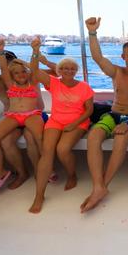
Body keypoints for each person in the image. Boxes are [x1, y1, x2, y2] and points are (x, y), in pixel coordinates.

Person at [80, 17, 128, 213]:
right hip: (112, 114)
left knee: (120, 140)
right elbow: (97, 57)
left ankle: (103, 185)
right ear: (123, 57)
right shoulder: (116, 72)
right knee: (94, 136)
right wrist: (92, 33)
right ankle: (98, 186)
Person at [29, 37, 94, 213]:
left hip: (78, 121)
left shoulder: (84, 87)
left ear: (76, 71)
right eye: (65, 68)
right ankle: (39, 195)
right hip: (56, 120)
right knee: (47, 151)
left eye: (72, 69)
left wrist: (74, 124)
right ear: (59, 70)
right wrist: (35, 52)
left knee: (63, 149)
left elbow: (89, 110)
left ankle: (72, 175)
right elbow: (34, 72)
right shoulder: (53, 82)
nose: (68, 71)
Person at [0, 38, 45, 193]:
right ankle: (1, 172)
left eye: (24, 71)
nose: (21, 74)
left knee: (39, 138)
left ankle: (45, 169)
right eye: (16, 73)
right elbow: (4, 69)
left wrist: (35, 50)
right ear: (11, 76)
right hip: (13, 116)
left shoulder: (32, 82)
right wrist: (1, 49)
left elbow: (35, 67)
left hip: (32, 115)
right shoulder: (10, 84)